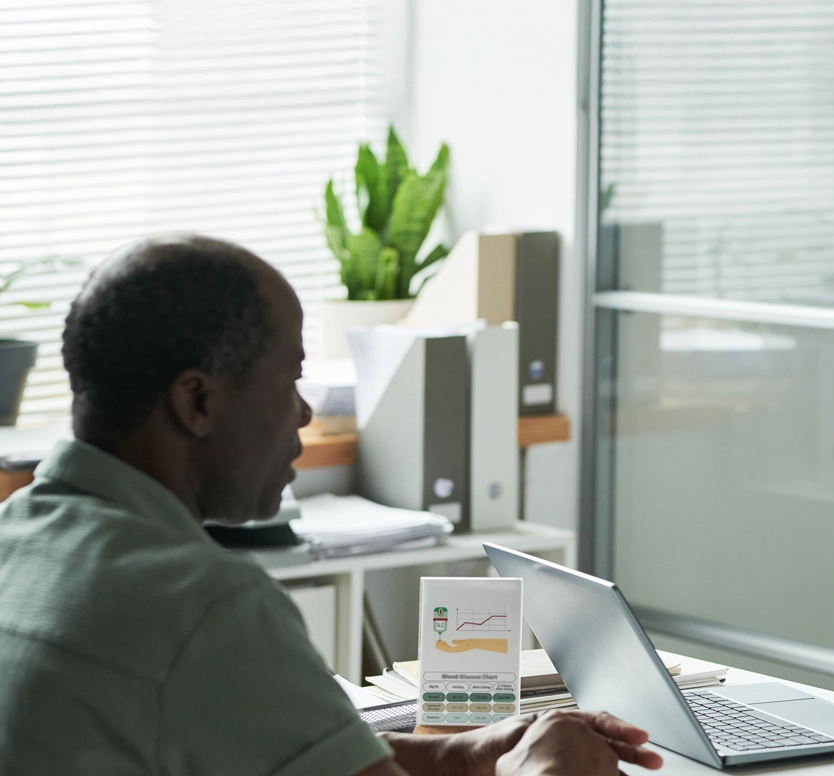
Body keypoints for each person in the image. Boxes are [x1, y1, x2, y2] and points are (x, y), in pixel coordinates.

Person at [0, 235, 664, 776]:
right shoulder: (204, 607)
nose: (305, 411)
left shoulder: (18, 541)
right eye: (289, 378)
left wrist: (462, 754)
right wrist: (548, 771)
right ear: (197, 402)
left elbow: (275, 745)